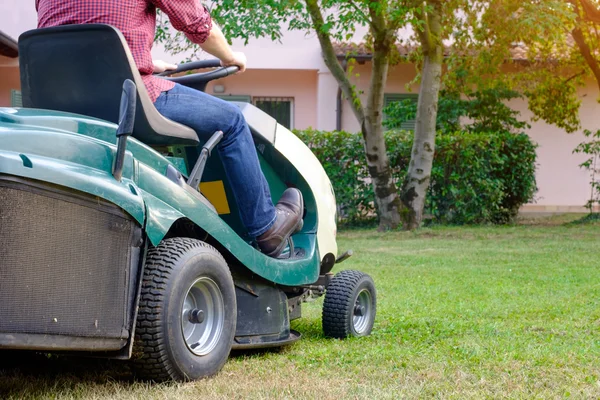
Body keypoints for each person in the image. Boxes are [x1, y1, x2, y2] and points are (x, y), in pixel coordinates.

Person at [35, 0, 304, 258]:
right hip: (130, 99)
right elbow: (197, 23)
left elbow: (81, 43)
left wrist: (147, 64)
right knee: (232, 120)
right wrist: (229, 56)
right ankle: (266, 227)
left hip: (64, 104)